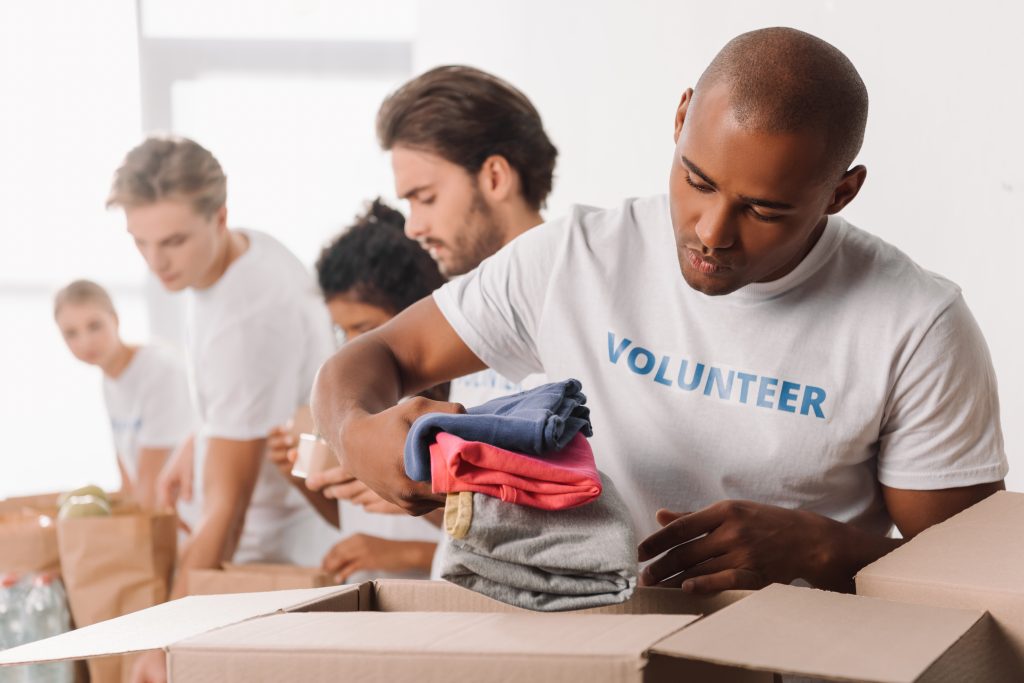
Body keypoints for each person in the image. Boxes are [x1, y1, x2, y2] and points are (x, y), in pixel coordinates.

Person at [312, 27, 1007, 595]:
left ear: (840, 192)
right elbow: (375, 360)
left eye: (764, 209)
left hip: (788, 660)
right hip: (580, 653)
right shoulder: (573, 260)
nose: (712, 230)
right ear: (680, 120)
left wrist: (830, 552)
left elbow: (968, 575)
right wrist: (354, 432)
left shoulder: (917, 324)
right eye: (696, 179)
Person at [106, 136, 340, 683]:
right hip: (262, 537)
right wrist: (201, 438)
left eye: (173, 241)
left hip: (268, 557)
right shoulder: (242, 251)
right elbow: (256, 397)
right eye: (140, 242)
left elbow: (227, 512)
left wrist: (162, 642)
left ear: (220, 216)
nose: (156, 262)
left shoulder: (246, 322)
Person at [267, 199, 446, 582]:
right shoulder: (352, 401)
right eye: (341, 330)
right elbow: (354, 512)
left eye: (364, 328)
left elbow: (499, 538)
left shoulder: (456, 403)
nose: (350, 347)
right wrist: (303, 480)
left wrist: (408, 552)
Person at [375, 64, 557, 408]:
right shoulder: (463, 310)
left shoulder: (573, 311)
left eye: (426, 198)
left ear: (495, 178)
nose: (412, 228)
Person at [53, 279, 192, 509]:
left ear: (115, 319)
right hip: (159, 514)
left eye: (94, 326)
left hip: (187, 518)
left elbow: (150, 484)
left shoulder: (159, 370)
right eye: (71, 333)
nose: (85, 341)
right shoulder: (110, 380)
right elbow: (129, 477)